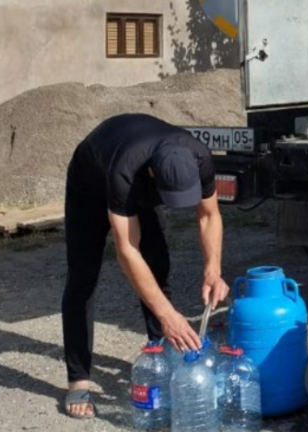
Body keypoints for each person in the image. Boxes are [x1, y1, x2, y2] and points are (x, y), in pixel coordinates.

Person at [60, 113, 229, 419]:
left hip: (135, 176)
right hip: (91, 181)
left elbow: (209, 215)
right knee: (83, 277)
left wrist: (212, 269)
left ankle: (160, 352)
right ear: (153, 174)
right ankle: (78, 379)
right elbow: (127, 249)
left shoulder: (200, 156)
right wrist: (169, 315)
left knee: (158, 265)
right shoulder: (125, 170)